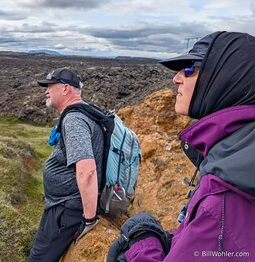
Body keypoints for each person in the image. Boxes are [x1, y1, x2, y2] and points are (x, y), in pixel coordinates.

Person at [108, 31, 255, 261]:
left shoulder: (225, 191)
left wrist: (142, 243)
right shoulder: (237, 154)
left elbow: (219, 230)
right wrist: (170, 240)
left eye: (189, 69)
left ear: (228, 78)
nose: (176, 79)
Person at [29, 68, 104, 262]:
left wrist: (89, 220)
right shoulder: (84, 111)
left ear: (65, 89)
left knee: (39, 258)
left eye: (49, 86)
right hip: (65, 206)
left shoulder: (74, 119)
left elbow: (87, 171)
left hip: (67, 209)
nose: (46, 91)